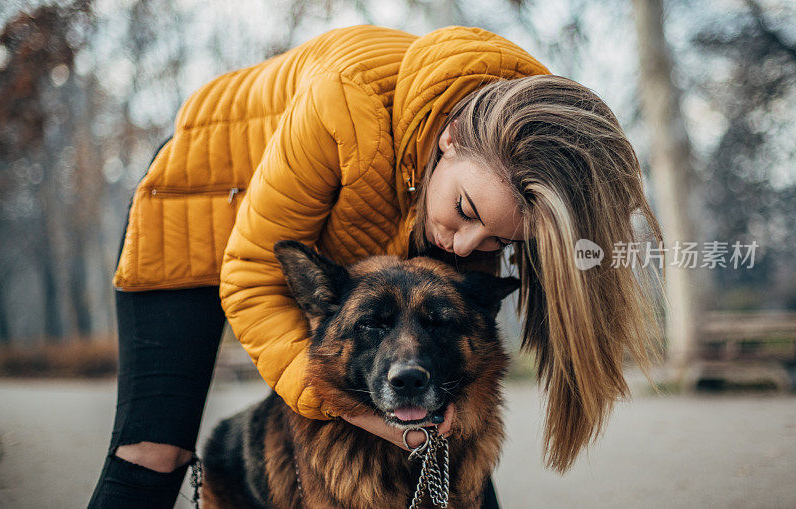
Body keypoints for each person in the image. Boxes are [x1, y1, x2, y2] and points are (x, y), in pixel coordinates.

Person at [89, 24, 664, 508]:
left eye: (498, 240)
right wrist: (353, 410)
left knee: (447, 433)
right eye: (465, 212)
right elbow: (253, 276)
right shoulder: (346, 101)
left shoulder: (524, 161)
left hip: (340, 213)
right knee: (155, 450)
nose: (465, 247)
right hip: (202, 203)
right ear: (452, 138)